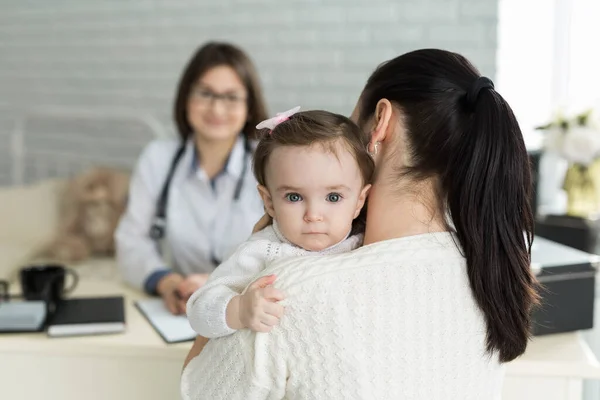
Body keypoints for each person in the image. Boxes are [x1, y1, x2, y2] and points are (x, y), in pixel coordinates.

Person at [181, 49, 539, 399]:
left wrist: (240, 285)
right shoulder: (487, 274)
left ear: (380, 122)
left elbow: (196, 390)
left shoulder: (290, 292)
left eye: (352, 126)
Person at [186, 108, 373, 338]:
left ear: (359, 201)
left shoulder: (366, 244)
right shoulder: (262, 251)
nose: (313, 215)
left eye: (333, 197)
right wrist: (240, 309)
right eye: (294, 197)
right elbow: (198, 310)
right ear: (269, 202)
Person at [115, 42, 268, 314]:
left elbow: (291, 251)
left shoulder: (271, 163)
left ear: (249, 106)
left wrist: (216, 284)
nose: (217, 109)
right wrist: (166, 282)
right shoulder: (158, 158)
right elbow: (131, 240)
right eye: (205, 93)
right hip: (182, 306)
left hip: (248, 308)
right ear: (186, 98)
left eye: (231, 97)